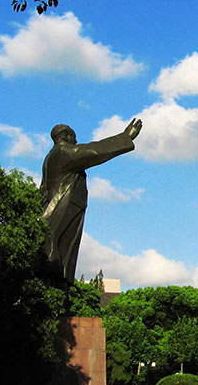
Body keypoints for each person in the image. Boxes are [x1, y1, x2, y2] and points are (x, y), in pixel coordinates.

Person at [40, 119, 142, 282]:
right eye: (74, 137)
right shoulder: (63, 151)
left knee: (64, 253)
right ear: (66, 136)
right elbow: (93, 151)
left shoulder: (49, 157)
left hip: (68, 204)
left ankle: (61, 286)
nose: (76, 141)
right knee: (56, 250)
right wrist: (125, 137)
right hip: (64, 204)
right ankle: (56, 289)